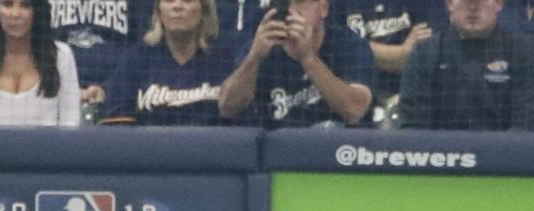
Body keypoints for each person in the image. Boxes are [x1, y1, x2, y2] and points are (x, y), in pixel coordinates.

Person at [218, 0, 376, 127]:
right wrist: (254, 58)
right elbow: (227, 108)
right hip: (281, 154)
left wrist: (308, 59)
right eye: (284, 3)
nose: (292, 12)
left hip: (340, 153)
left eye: (300, 2)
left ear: (324, 8)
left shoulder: (348, 44)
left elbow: (355, 111)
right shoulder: (262, 47)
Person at [399, 0, 534, 130]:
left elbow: (525, 125)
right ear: (450, 3)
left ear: (499, 3)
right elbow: (414, 127)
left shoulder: (524, 53)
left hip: (506, 151)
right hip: (443, 151)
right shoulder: (424, 54)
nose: (473, 8)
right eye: (466, 1)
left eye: (481, 1)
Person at [99, 0, 238, 126]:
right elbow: (117, 119)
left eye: (187, 1)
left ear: (204, 11)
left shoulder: (224, 59)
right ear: (159, 12)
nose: (177, 6)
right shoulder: (136, 59)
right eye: (168, 0)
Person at [0, 0, 81, 126]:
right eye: (7, 4)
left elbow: (70, 123)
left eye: (25, 5)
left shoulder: (61, 56)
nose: (15, 14)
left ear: (37, 11)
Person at [341, 0, 444, 126]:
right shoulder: (339, 4)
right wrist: (401, 51)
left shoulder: (428, 4)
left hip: (411, 104)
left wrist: (354, 46)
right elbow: (336, 47)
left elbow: (421, 57)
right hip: (355, 104)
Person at [49, 0, 154, 105]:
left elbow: (146, 47)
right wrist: (65, 89)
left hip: (118, 95)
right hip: (54, 91)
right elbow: (38, 45)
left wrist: (106, 90)